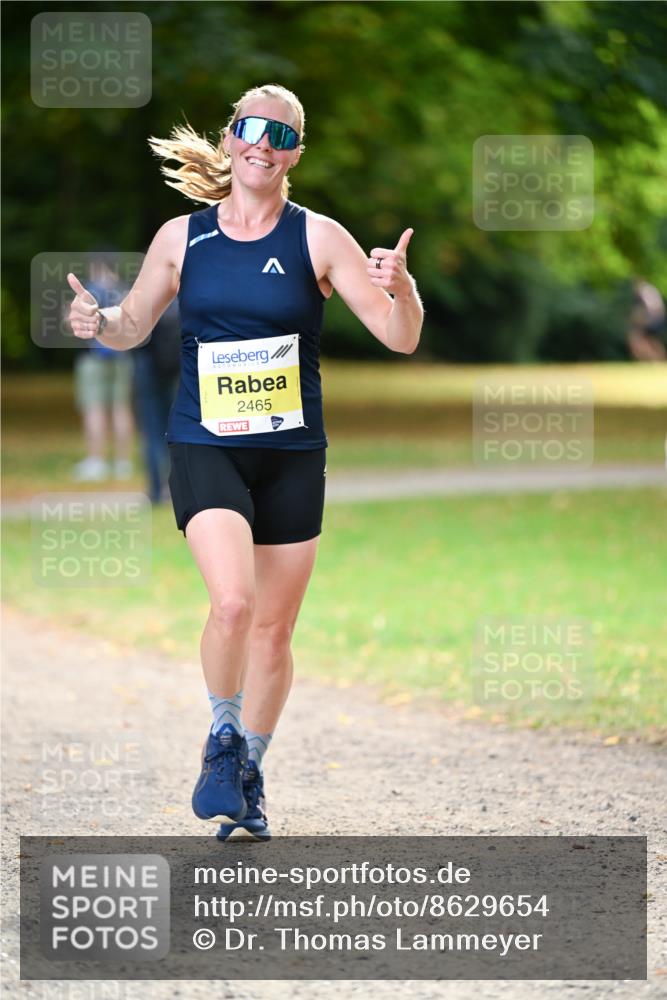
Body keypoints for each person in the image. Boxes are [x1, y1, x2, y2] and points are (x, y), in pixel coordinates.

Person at [67, 83, 423, 841]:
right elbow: (131, 328)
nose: (262, 141)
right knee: (232, 604)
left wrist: (407, 290)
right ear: (230, 140)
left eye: (279, 132)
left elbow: (399, 337)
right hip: (205, 445)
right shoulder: (180, 238)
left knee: (273, 630)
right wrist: (96, 320)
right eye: (249, 127)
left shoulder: (319, 237)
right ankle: (221, 737)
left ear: (294, 151)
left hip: (292, 454)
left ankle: (249, 775)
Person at [71, 256, 135, 482]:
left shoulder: (90, 290)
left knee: (94, 408)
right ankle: (123, 463)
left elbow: (75, 321)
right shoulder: (125, 290)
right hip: (123, 356)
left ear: (96, 266)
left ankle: (96, 461)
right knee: (121, 408)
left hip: (93, 359)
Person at [132, 298, 182, 503]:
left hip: (147, 370)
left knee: (152, 434)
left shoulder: (144, 298)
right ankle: (177, 489)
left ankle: (154, 491)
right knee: (175, 433)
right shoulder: (182, 300)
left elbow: (132, 338)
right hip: (175, 373)